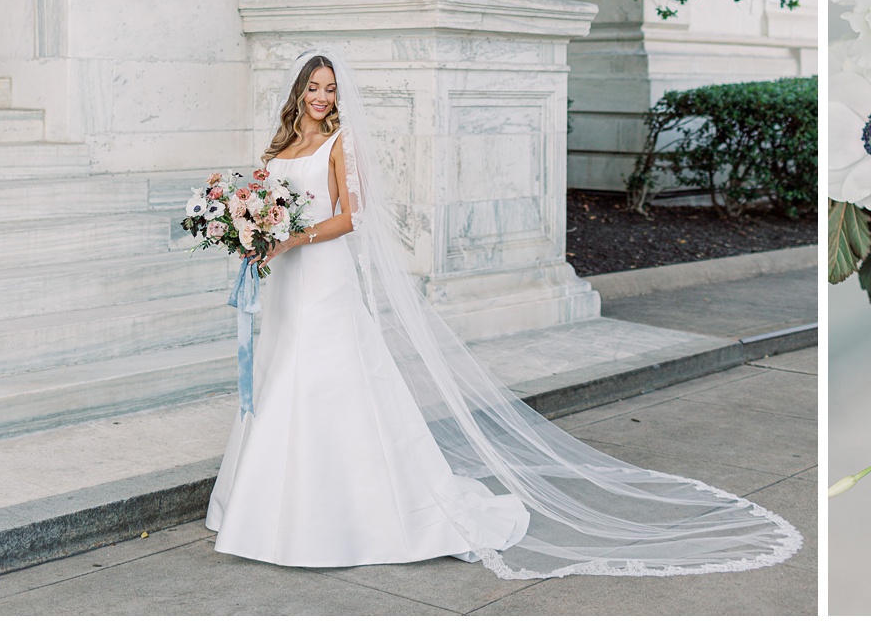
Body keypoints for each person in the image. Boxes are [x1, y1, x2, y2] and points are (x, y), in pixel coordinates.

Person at [206, 51, 801, 576]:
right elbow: (265, 197)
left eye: (331, 88)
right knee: (279, 373)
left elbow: (351, 216)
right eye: (314, 87)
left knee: (321, 381)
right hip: (282, 279)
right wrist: (251, 229)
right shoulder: (284, 143)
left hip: (321, 276)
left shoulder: (343, 142)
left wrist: (289, 240)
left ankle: (338, 516)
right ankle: (266, 507)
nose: (322, 97)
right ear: (298, 92)